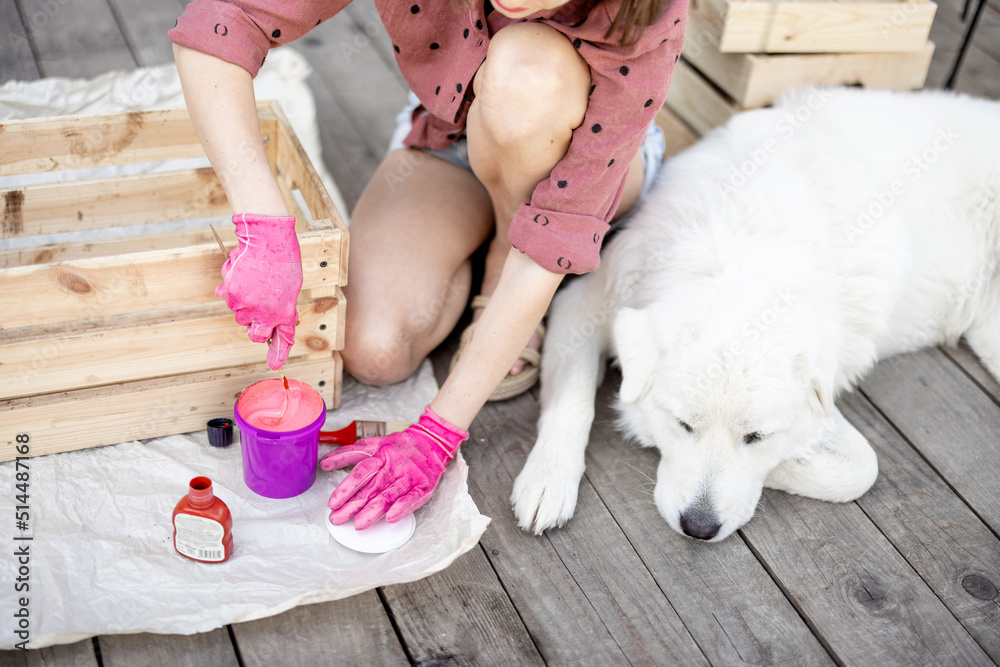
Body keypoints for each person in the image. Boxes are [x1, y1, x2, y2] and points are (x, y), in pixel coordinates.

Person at [169, 0, 686, 531]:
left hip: (585, 166)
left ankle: (502, 253)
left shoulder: (647, 13)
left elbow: (554, 242)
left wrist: (438, 432)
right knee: (375, 350)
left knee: (525, 69)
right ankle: (477, 230)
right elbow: (219, 22)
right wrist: (264, 223)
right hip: (451, 133)